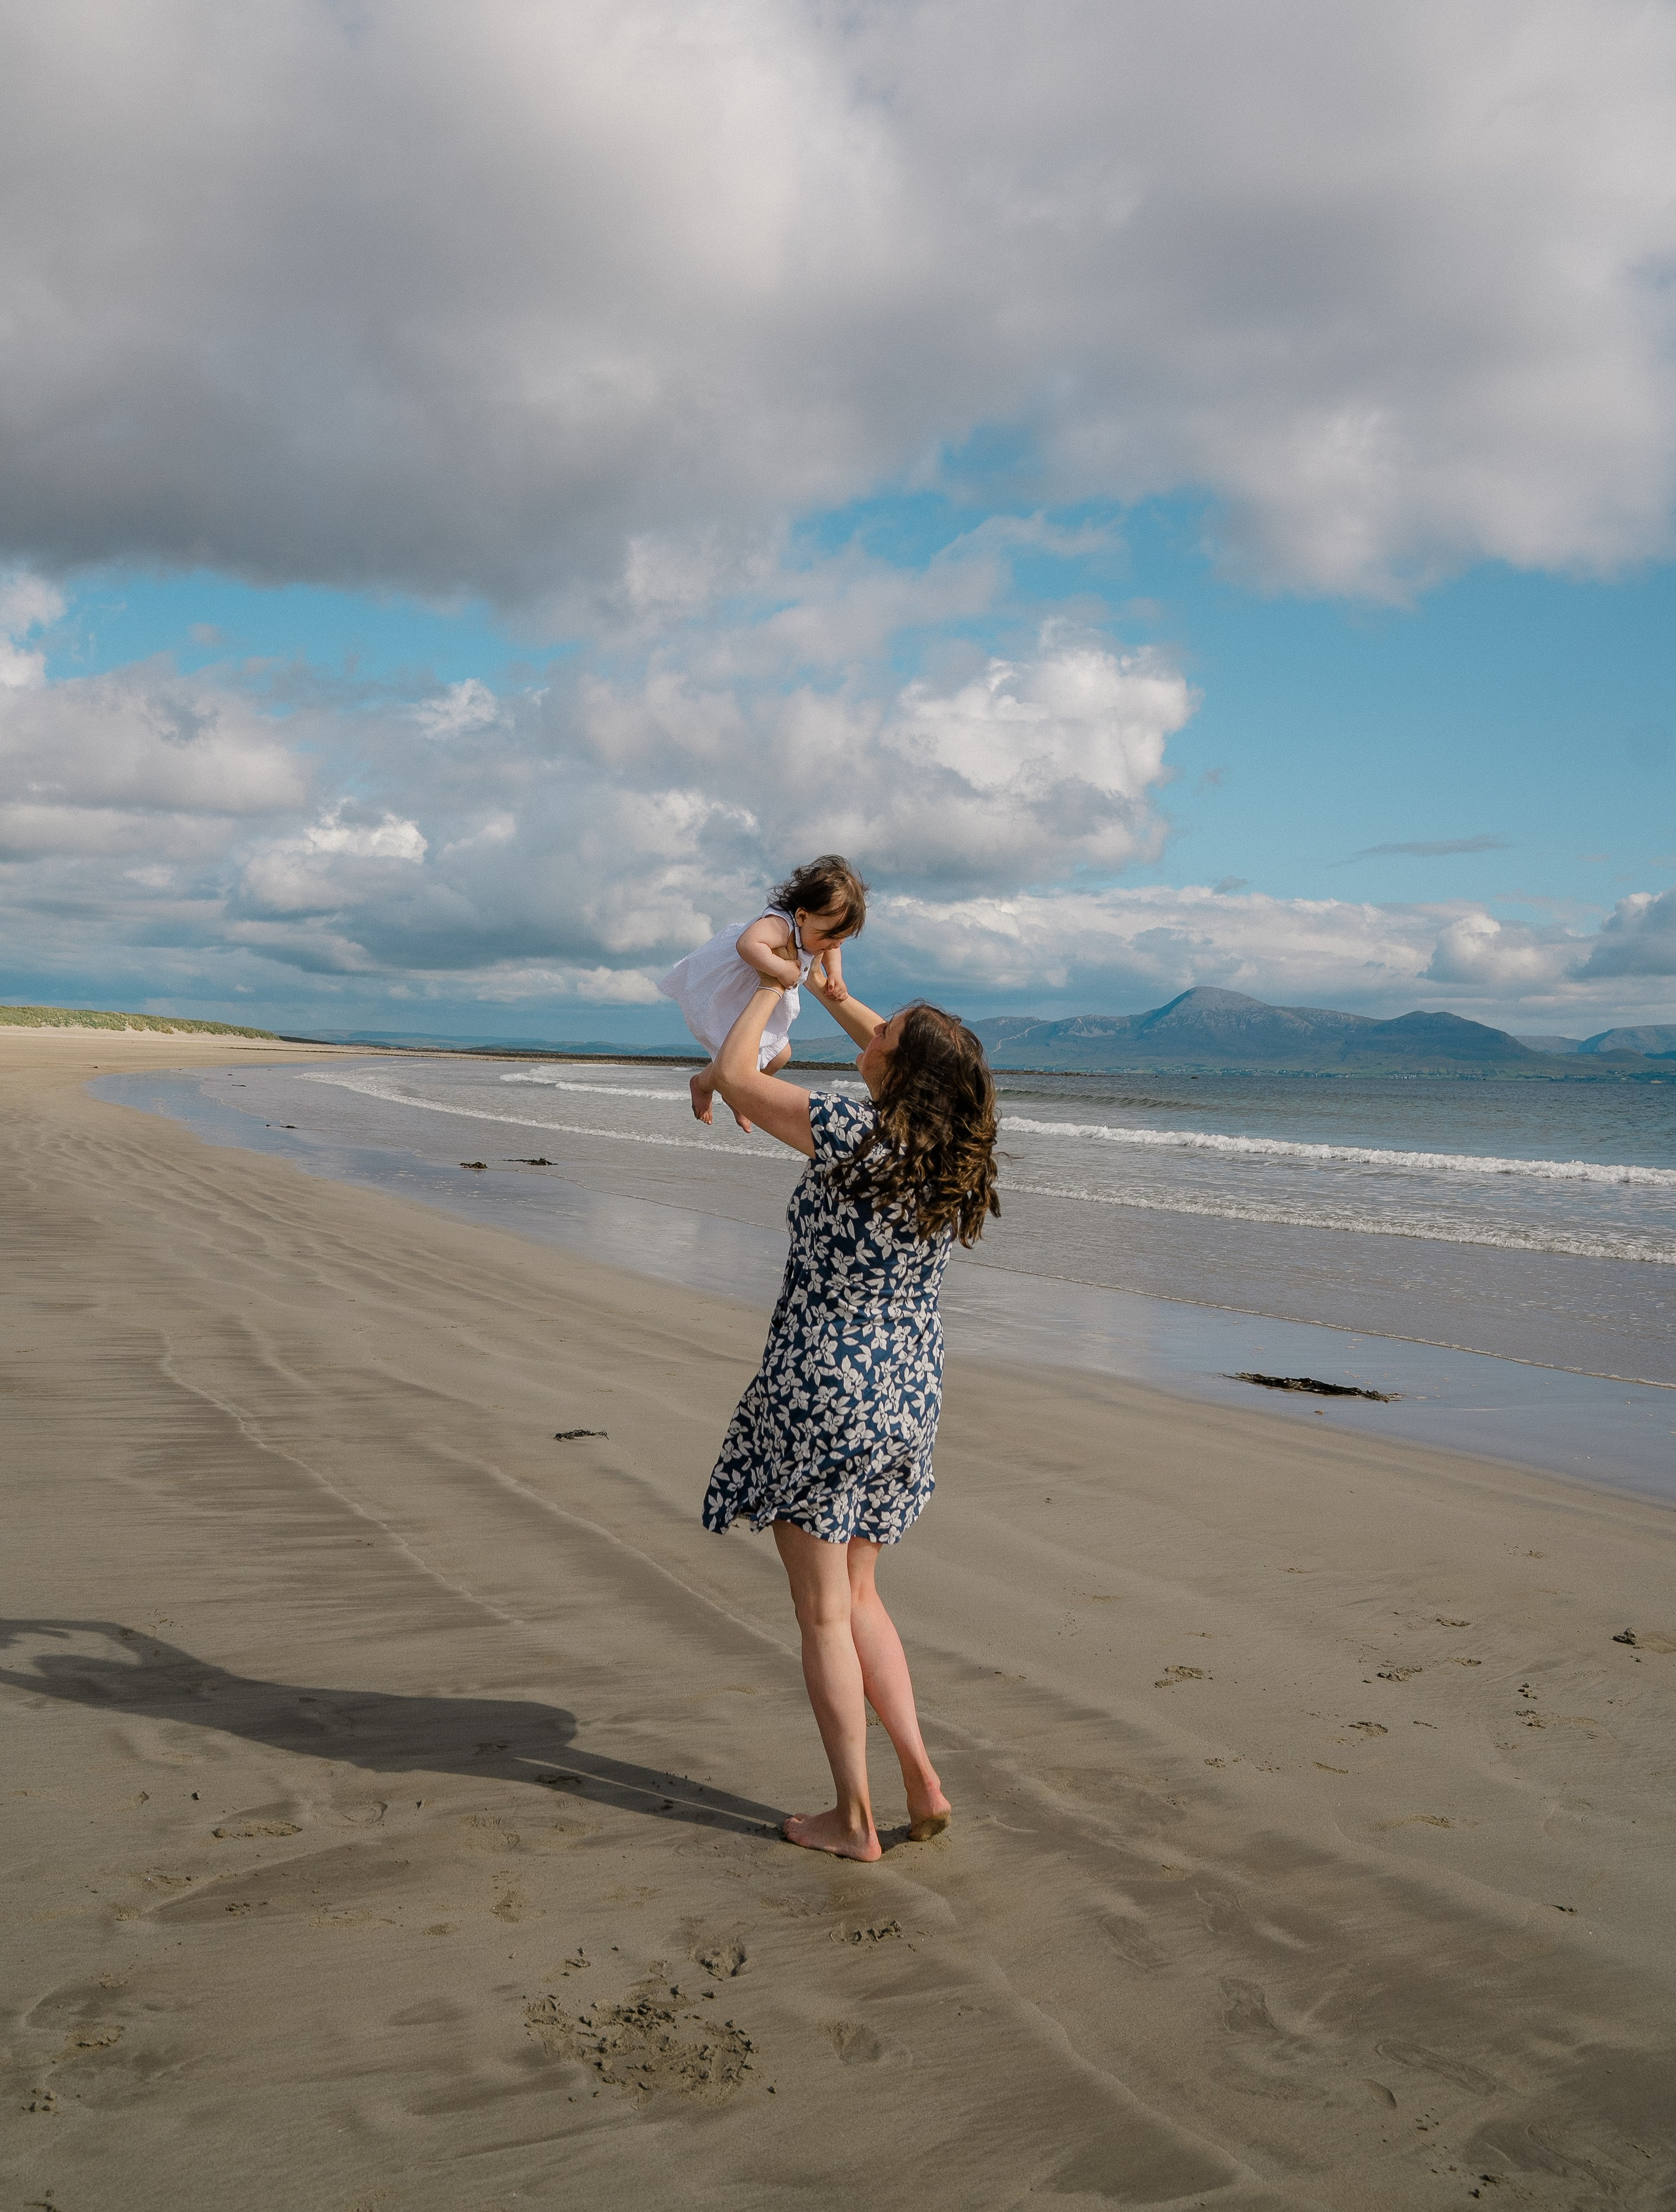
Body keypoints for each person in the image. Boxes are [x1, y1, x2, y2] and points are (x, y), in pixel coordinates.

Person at [701, 966, 1000, 1860]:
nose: (862, 1036)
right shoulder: (956, 1145)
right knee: (862, 1594)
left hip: (824, 1387)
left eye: (877, 1036)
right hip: (907, 1391)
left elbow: (734, 1073)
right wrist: (827, 989)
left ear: (898, 1073)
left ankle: (855, 1816)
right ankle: (920, 1774)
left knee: (824, 1612)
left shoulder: (849, 1132)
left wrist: (765, 984)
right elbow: (898, 1048)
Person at [656, 856, 867, 1131]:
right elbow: (747, 944)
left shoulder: (820, 932)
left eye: (841, 939)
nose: (833, 945)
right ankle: (706, 1085)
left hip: (768, 994)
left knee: (779, 1055)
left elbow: (832, 950)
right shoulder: (780, 923)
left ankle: (737, 1093)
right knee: (737, 1054)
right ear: (802, 915)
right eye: (829, 936)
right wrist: (780, 968)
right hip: (739, 991)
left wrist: (835, 975)